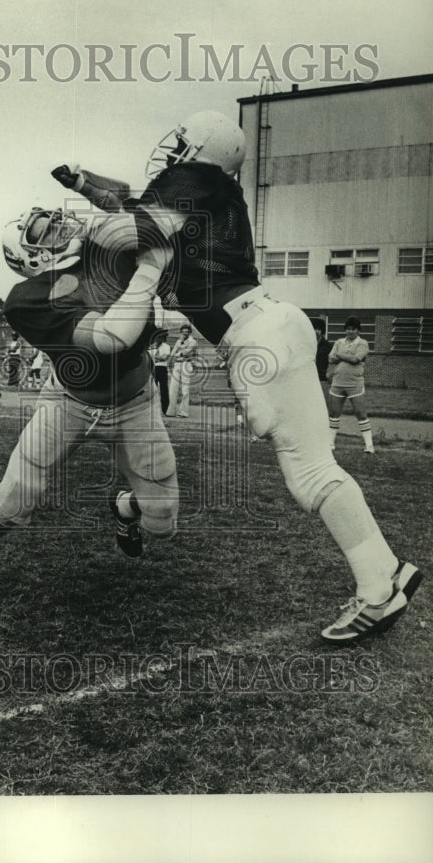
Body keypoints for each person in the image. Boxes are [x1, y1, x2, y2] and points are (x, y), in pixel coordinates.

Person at [52, 109, 422, 643]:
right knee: (317, 466)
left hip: (256, 334)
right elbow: (134, 207)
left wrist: (80, 226)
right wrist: (86, 184)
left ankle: (378, 590)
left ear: (201, 150)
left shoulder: (190, 182)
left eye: (184, 143)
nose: (173, 150)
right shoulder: (205, 192)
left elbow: (136, 222)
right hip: (273, 322)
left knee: (311, 476)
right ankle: (383, 572)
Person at [0, 206, 179, 588]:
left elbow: (161, 225)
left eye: (55, 220)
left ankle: (124, 509)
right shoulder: (27, 298)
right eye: (44, 231)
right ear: (29, 257)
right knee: (15, 497)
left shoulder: (104, 252)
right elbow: (108, 338)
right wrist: (151, 268)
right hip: (69, 403)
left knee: (162, 518)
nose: (60, 226)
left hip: (135, 399)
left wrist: (118, 213)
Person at [327, 316, 374, 454]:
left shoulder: (363, 343)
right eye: (348, 329)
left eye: (353, 329)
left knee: (360, 413)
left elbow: (355, 359)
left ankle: (369, 446)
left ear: (358, 330)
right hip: (338, 382)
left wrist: (340, 355)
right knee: (334, 413)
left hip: (355, 384)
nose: (350, 331)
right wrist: (342, 356)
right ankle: (330, 443)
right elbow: (330, 358)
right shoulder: (339, 341)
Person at [166, 323, 198, 418]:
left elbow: (185, 352)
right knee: (172, 388)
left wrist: (176, 354)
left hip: (186, 364)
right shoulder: (178, 340)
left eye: (186, 332)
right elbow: (173, 351)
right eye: (183, 332)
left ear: (190, 332)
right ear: (181, 332)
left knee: (185, 390)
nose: (184, 334)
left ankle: (183, 412)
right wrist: (170, 360)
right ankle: (170, 411)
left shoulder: (193, 341)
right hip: (177, 364)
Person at [151, 331, 171, 415]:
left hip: (162, 368)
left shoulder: (166, 346)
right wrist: (158, 357)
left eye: (161, 337)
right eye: (157, 337)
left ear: (164, 338)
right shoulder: (151, 346)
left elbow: (164, 358)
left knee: (164, 389)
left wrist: (155, 357)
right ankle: (152, 410)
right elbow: (149, 357)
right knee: (152, 389)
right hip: (153, 368)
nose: (159, 339)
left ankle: (165, 409)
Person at [311, 317, 333, 384]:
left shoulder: (328, 346)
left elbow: (334, 363)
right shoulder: (305, 345)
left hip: (322, 380)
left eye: (319, 329)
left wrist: (328, 375)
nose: (316, 331)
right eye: (314, 328)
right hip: (308, 378)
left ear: (322, 331)